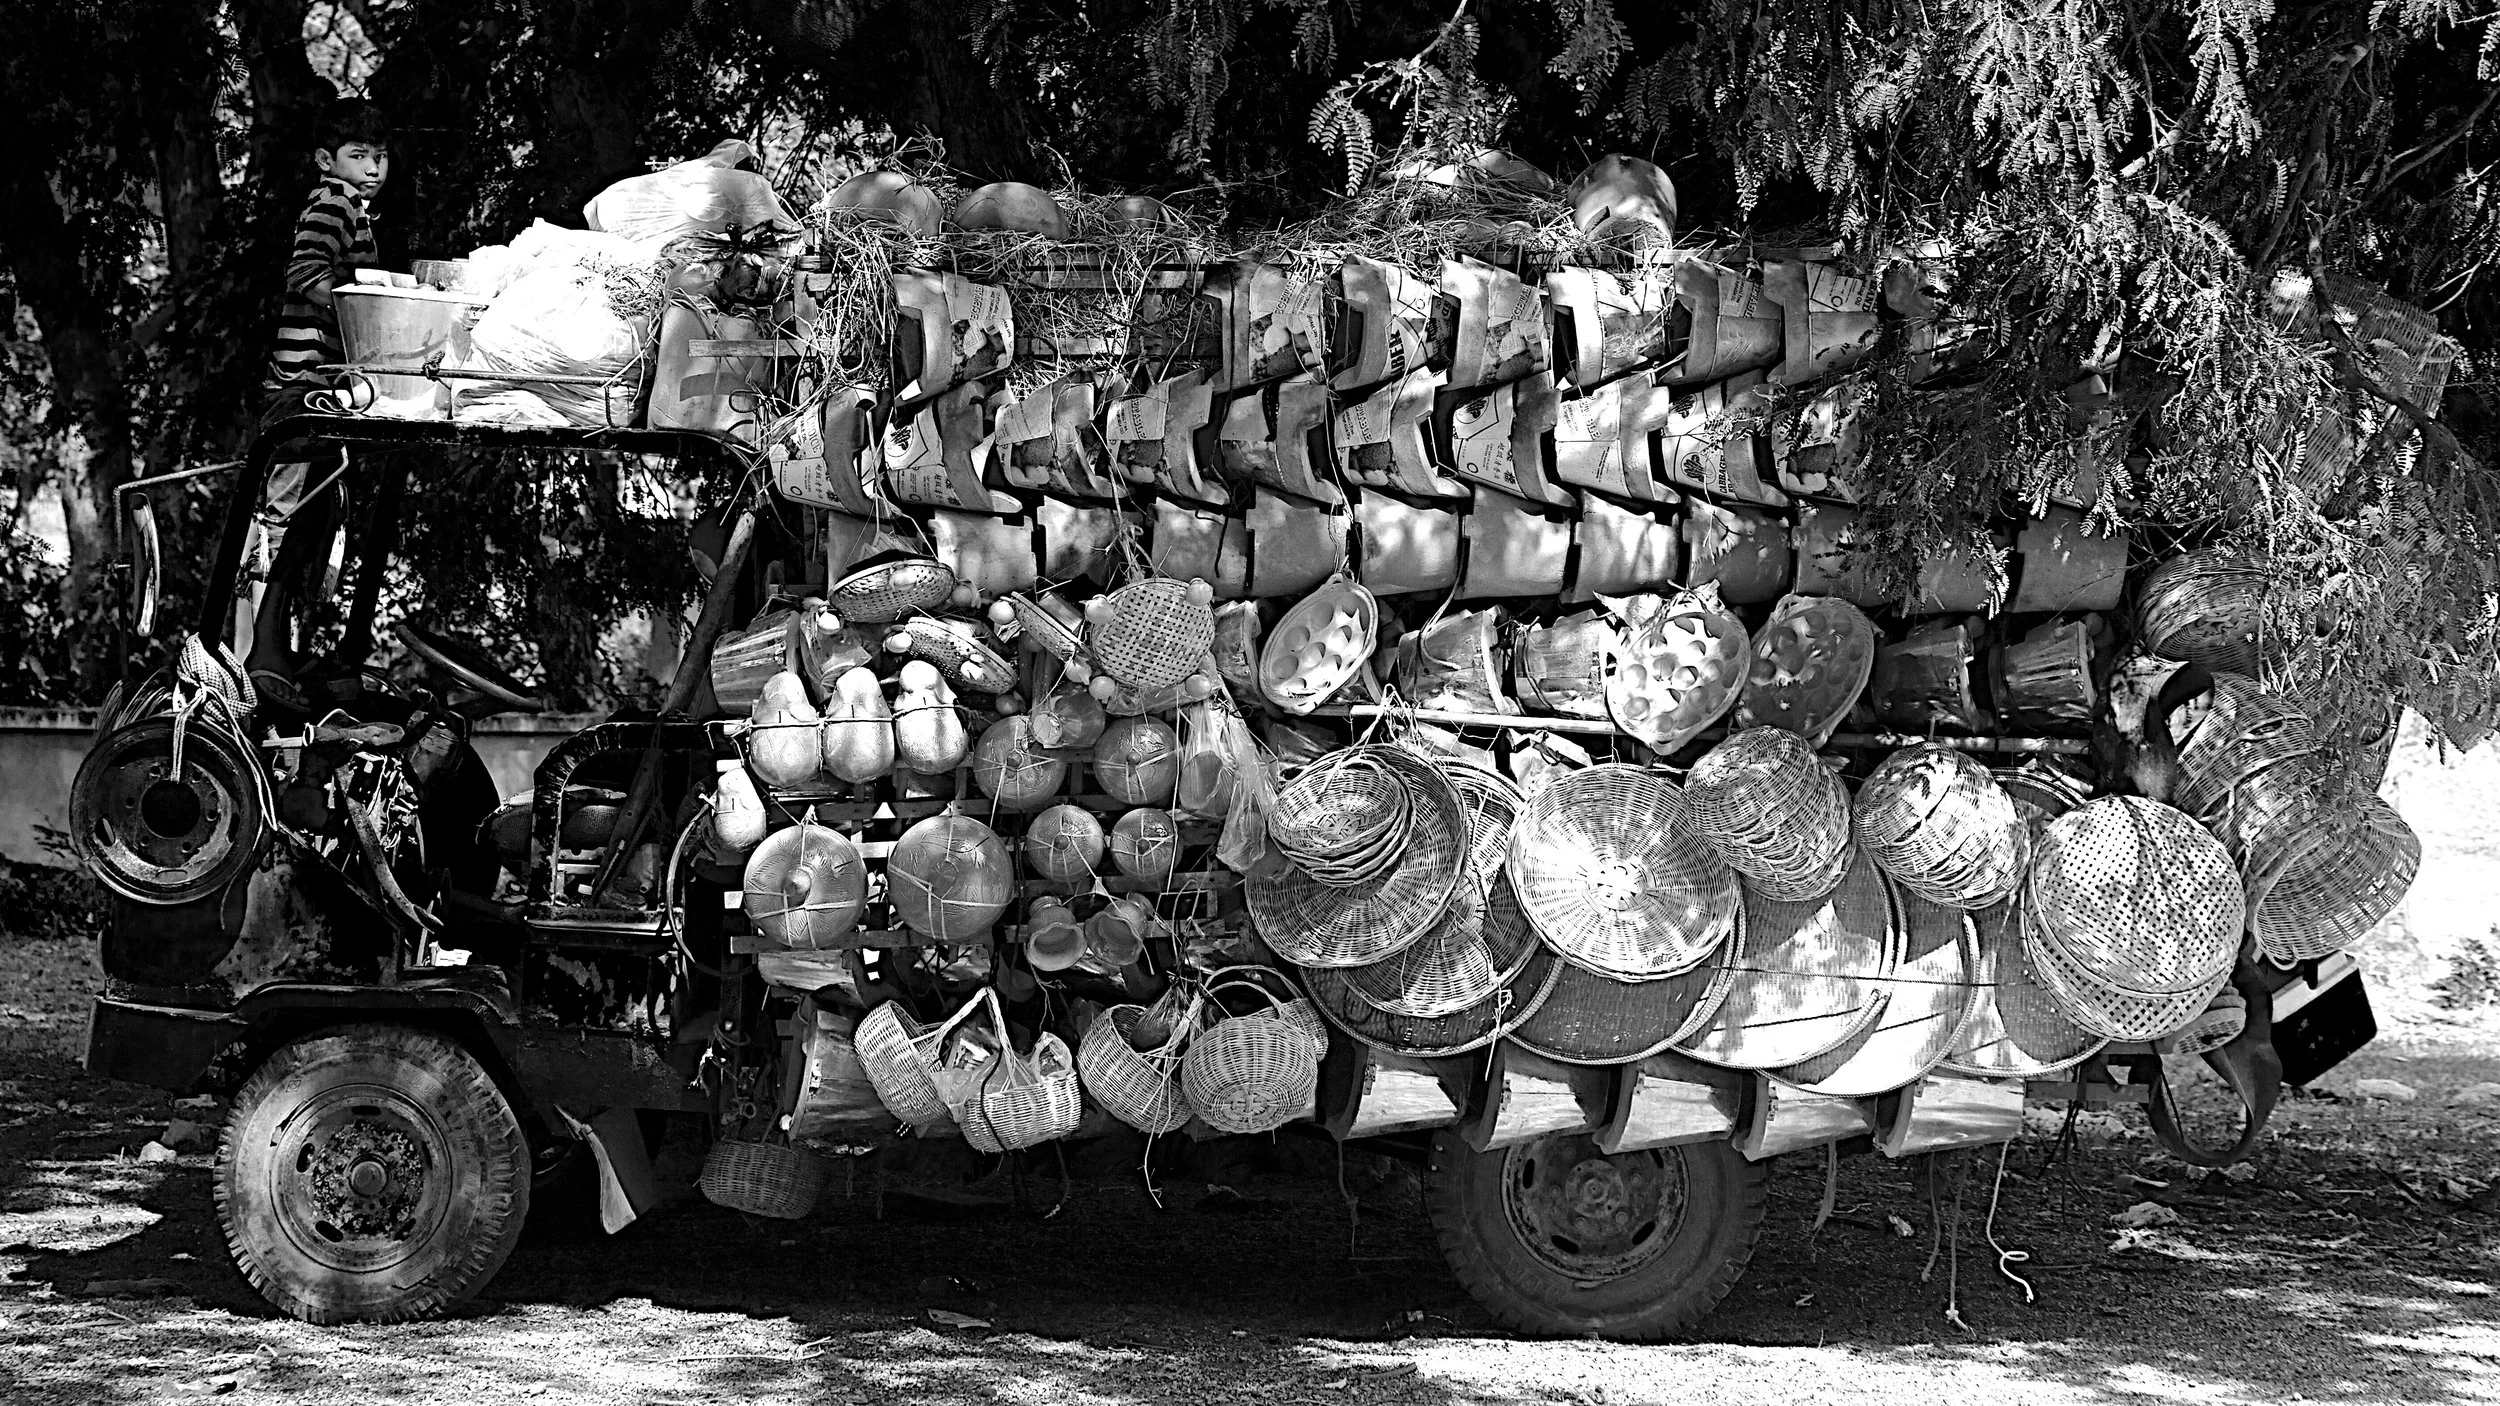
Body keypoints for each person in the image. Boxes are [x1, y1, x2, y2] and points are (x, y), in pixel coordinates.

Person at [245, 98, 392, 711]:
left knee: (318, 512)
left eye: (380, 156)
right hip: (303, 384)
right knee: (283, 516)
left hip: (324, 385)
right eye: (359, 156)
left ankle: (280, 646)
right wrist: (365, 304)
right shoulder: (333, 204)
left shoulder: (354, 208)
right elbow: (305, 275)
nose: (374, 168)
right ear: (327, 161)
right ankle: (256, 652)